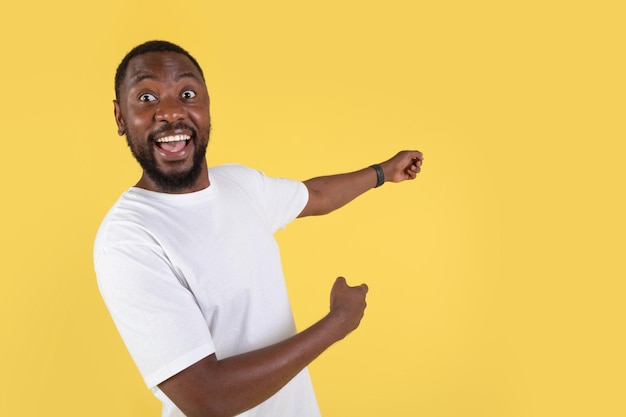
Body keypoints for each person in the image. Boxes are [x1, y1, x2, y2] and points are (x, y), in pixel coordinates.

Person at [94, 40, 424, 417]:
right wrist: (338, 322)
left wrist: (383, 172)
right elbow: (208, 398)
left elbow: (313, 195)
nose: (170, 112)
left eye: (187, 93)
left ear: (206, 107)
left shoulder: (238, 184)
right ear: (121, 118)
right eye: (147, 97)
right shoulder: (127, 240)